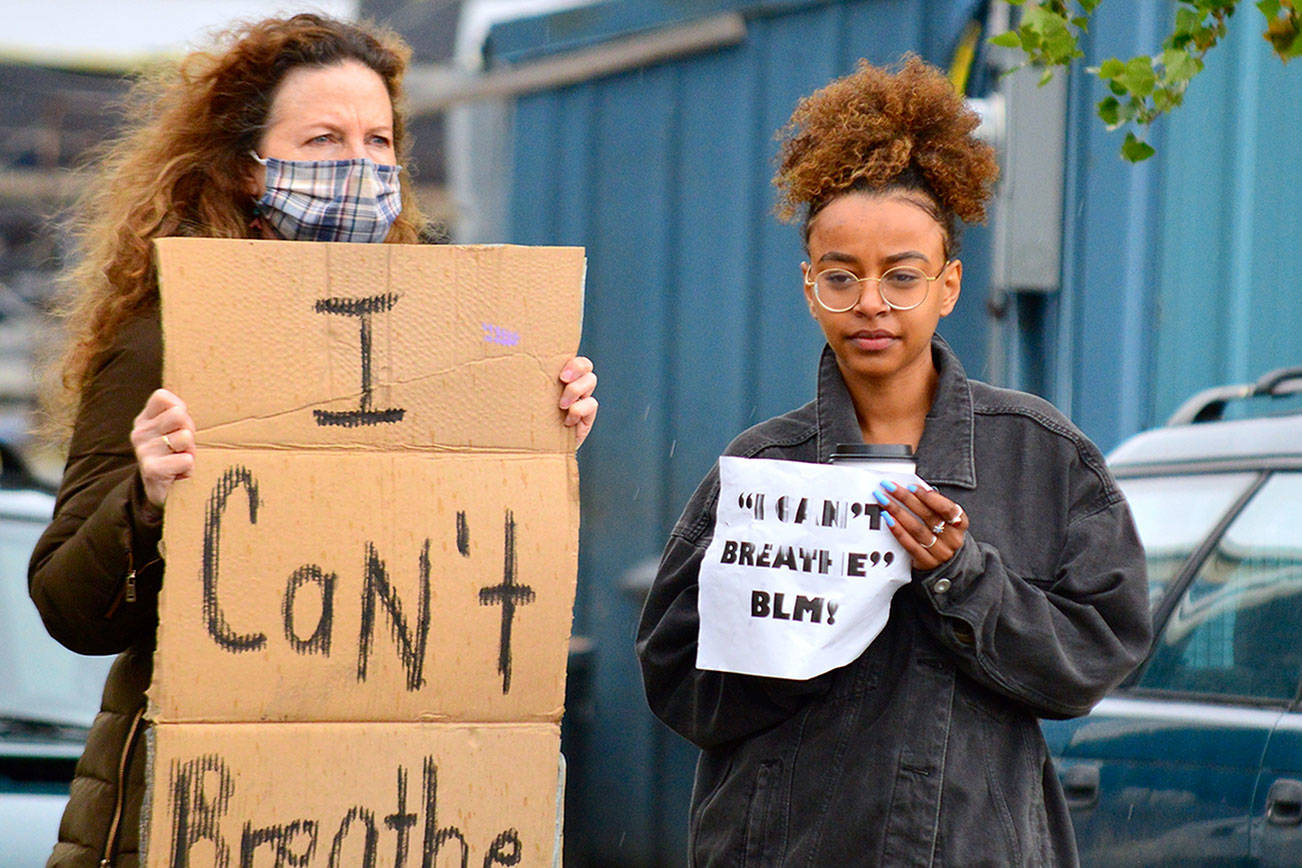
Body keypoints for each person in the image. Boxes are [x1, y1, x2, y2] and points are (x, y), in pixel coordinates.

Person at [28, 14, 597, 868]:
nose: (360, 168)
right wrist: (142, 499)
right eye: (324, 140)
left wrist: (537, 412)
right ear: (249, 166)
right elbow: (68, 609)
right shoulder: (167, 341)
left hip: (378, 818)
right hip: (191, 819)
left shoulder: (442, 341)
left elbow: (501, 360)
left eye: (378, 141)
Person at [636, 56, 1150, 866]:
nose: (872, 303)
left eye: (902, 277)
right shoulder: (762, 468)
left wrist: (963, 576)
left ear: (948, 285)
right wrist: (801, 625)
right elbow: (675, 682)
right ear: (810, 288)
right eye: (842, 278)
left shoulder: (1042, 457)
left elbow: (1093, 661)